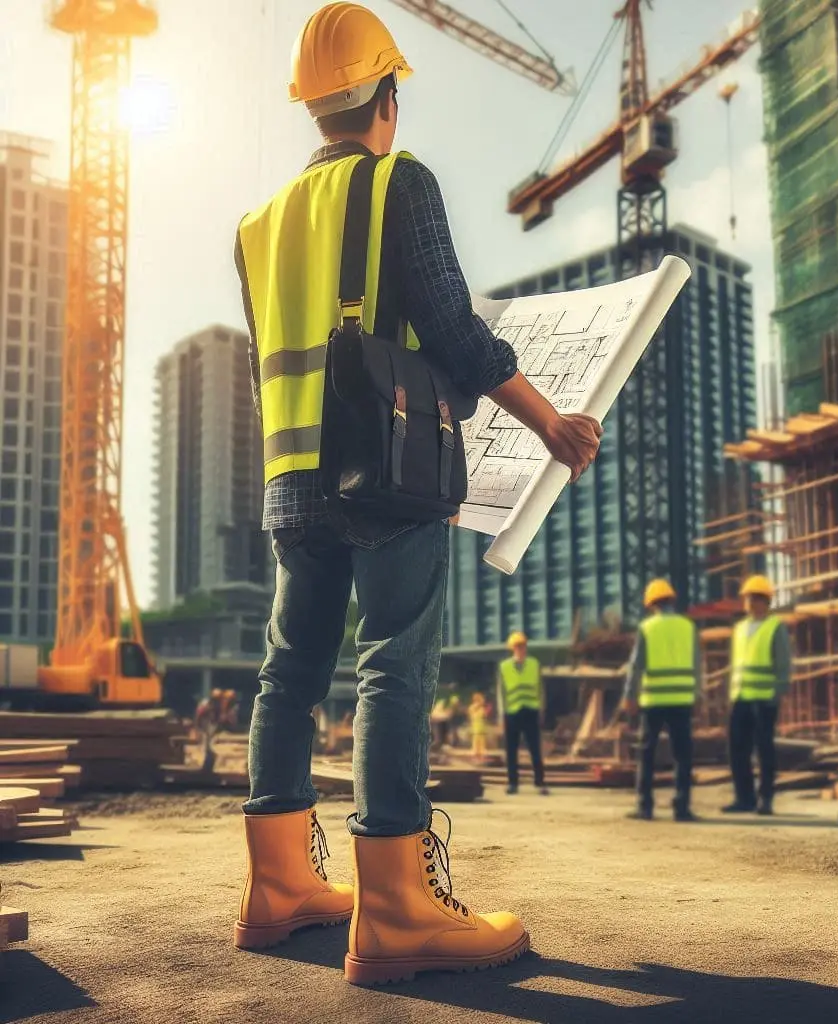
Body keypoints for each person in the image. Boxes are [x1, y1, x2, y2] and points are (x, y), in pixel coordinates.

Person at [231, 3, 602, 984]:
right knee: (395, 658)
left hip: (288, 479)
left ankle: (277, 890)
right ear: (386, 98)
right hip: (384, 473)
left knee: (290, 671)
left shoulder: (256, 226)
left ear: (316, 109)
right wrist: (549, 421)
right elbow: (455, 333)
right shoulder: (401, 181)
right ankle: (394, 906)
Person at [620, 579, 699, 822]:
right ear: (672, 600)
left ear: (651, 604)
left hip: (653, 701)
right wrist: (698, 694)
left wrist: (629, 697)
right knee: (682, 756)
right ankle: (682, 808)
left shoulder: (648, 627)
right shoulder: (688, 626)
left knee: (647, 754)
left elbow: (636, 666)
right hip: (682, 700)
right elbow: (697, 664)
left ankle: (645, 807)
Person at [721, 575, 790, 816]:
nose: (750, 602)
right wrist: (731, 694)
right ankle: (744, 798)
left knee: (764, 749)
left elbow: (783, 663)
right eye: (748, 598)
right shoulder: (739, 628)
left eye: (755, 598)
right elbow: (736, 664)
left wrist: (778, 691)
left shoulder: (775, 627)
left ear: (766, 601)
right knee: (737, 749)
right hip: (741, 698)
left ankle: (765, 798)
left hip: (764, 698)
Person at [497, 632, 548, 795]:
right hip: (512, 712)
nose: (521, 649)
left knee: (535, 748)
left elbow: (541, 688)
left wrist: (541, 709)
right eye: (518, 646)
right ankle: (513, 783)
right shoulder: (504, 667)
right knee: (511, 750)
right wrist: (501, 715)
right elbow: (501, 692)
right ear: (512, 648)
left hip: (531, 711)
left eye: (523, 645)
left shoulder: (534, 664)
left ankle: (540, 783)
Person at [468, 692, 490, 761]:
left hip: (481, 726)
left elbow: (484, 715)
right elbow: (472, 713)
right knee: (476, 741)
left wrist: (487, 710)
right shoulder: (473, 707)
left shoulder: (481, 708)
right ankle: (476, 755)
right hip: (476, 726)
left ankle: (480, 755)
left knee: (481, 742)